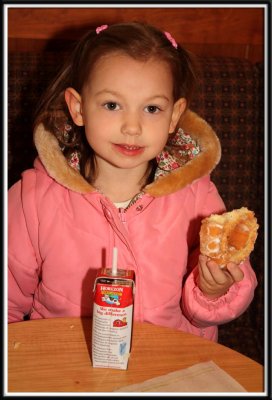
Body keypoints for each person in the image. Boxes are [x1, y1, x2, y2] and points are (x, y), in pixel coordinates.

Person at [8, 22, 257, 341]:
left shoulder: (197, 195)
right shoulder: (33, 198)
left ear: (174, 115)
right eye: (112, 105)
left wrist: (212, 289)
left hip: (169, 364)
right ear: (79, 107)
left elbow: (210, 308)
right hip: (69, 366)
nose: (132, 127)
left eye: (152, 108)